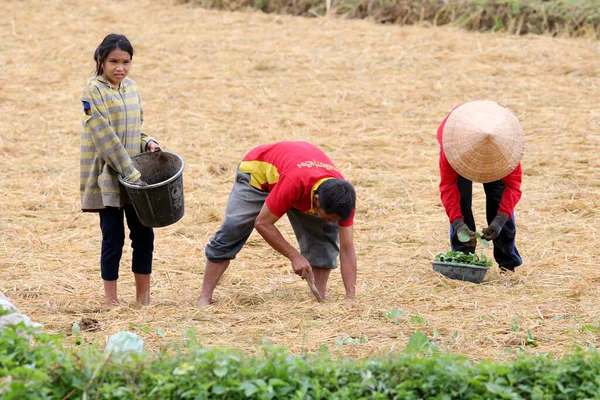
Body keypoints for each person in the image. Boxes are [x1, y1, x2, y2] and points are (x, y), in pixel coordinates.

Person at [197, 141, 357, 307]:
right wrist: (294, 256)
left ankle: (318, 297)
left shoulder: (343, 199)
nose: (331, 220)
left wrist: (350, 298)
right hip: (259, 177)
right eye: (328, 216)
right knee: (234, 226)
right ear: (316, 200)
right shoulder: (294, 182)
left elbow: (347, 247)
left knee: (324, 233)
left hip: (296, 181)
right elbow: (263, 223)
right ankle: (204, 298)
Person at [79, 34, 161, 306]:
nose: (120, 68)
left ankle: (143, 299)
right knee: (113, 238)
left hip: (134, 177)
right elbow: (104, 137)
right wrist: (130, 171)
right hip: (109, 178)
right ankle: (110, 300)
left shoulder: (132, 88)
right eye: (114, 61)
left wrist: (147, 141)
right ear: (100, 60)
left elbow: (134, 129)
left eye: (126, 62)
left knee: (144, 235)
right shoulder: (92, 92)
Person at [437, 100, 525, 273]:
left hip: (496, 151)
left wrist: (499, 221)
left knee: (499, 200)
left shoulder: (507, 150)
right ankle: (464, 259)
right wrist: (458, 224)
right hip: (462, 149)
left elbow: (512, 188)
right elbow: (449, 188)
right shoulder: (451, 147)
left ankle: (507, 263)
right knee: (461, 200)